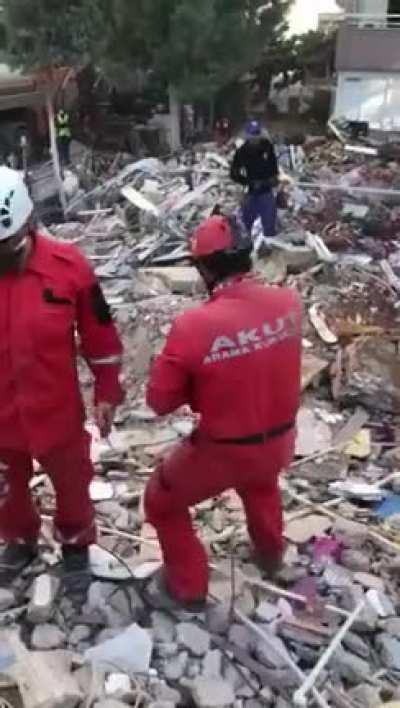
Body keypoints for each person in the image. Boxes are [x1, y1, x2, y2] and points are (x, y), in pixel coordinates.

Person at [144, 214, 302, 610]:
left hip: (225, 450)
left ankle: (189, 589)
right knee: (262, 483)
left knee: (160, 501)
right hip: (280, 440)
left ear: (205, 268)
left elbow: (159, 401)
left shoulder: (193, 325)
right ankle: (271, 557)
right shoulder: (289, 302)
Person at [0, 167, 124, 592]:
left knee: (72, 485)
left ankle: (75, 548)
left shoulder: (70, 268)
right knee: (6, 490)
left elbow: (101, 335)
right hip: (1, 415)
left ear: (29, 225)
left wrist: (107, 392)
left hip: (56, 412)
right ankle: (19, 541)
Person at [231, 119, 279, 239]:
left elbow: (274, 168)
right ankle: (248, 247)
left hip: (266, 191)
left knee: (269, 224)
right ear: (247, 135)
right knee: (246, 224)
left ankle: (268, 245)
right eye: (252, 135)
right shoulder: (242, 151)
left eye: (257, 134)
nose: (255, 138)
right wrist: (247, 181)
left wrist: (272, 179)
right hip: (251, 191)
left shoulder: (267, 147)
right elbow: (233, 173)